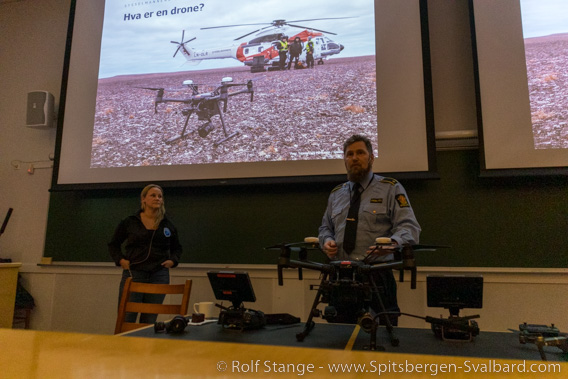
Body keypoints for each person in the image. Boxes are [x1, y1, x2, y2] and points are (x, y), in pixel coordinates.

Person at [318, 134, 421, 325]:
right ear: (345, 161)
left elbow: (410, 227)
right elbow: (325, 228)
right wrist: (326, 241)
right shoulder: (336, 194)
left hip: (377, 277)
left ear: (371, 158)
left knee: (382, 336)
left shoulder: (390, 188)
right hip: (340, 277)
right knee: (339, 339)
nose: (354, 158)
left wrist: (392, 244)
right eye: (349, 154)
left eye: (360, 153)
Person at [108, 184, 183, 324]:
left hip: (159, 275)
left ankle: (145, 346)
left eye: (160, 196)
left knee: (149, 321)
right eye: (153, 195)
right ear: (143, 199)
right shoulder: (130, 222)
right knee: (127, 318)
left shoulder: (167, 224)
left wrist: (173, 261)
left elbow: (177, 248)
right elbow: (113, 244)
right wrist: (121, 260)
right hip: (134, 273)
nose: (157, 198)